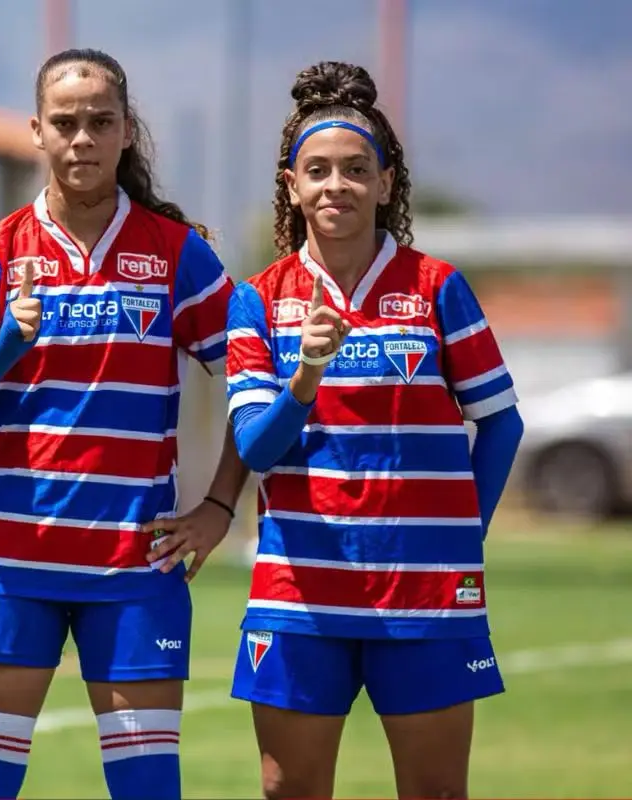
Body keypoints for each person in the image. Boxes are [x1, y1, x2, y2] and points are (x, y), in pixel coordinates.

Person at [0, 48, 250, 800]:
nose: (82, 139)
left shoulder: (176, 254)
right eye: (65, 123)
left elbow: (256, 380)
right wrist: (10, 338)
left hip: (135, 573)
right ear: (36, 132)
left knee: (147, 790)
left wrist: (219, 506)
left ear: (127, 131)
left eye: (101, 122)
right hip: (8, 568)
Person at [225, 61, 524, 799]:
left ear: (387, 184)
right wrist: (304, 378)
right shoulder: (259, 301)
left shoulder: (437, 287)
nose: (338, 185)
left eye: (358, 169)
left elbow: (502, 422)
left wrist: (462, 535)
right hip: (298, 595)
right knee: (286, 791)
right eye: (318, 170)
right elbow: (256, 448)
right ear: (292, 185)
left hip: (425, 594)